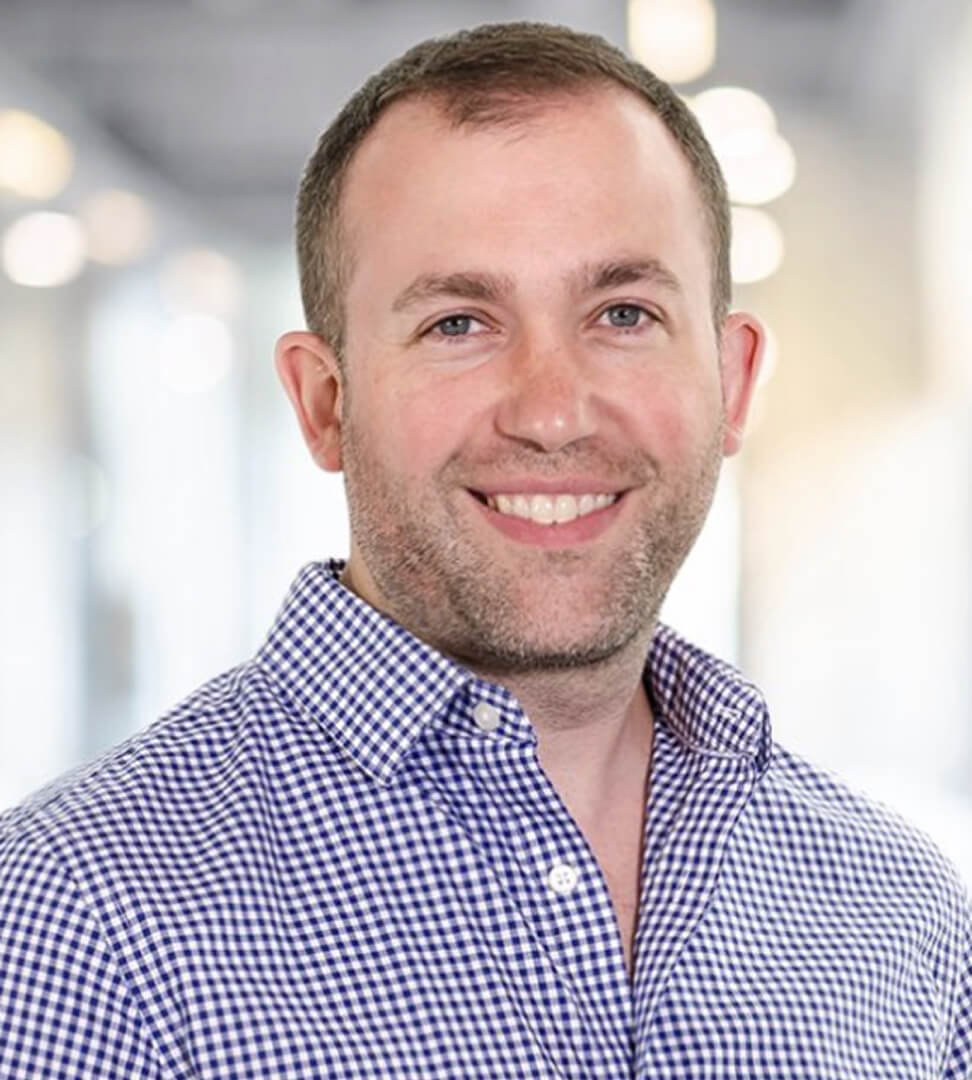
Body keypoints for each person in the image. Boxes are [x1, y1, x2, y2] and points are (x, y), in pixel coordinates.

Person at [1, 20, 969, 1079]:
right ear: (324, 404)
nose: (552, 413)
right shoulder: (72, 921)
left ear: (731, 384)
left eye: (625, 313)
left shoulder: (902, 914)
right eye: (459, 324)